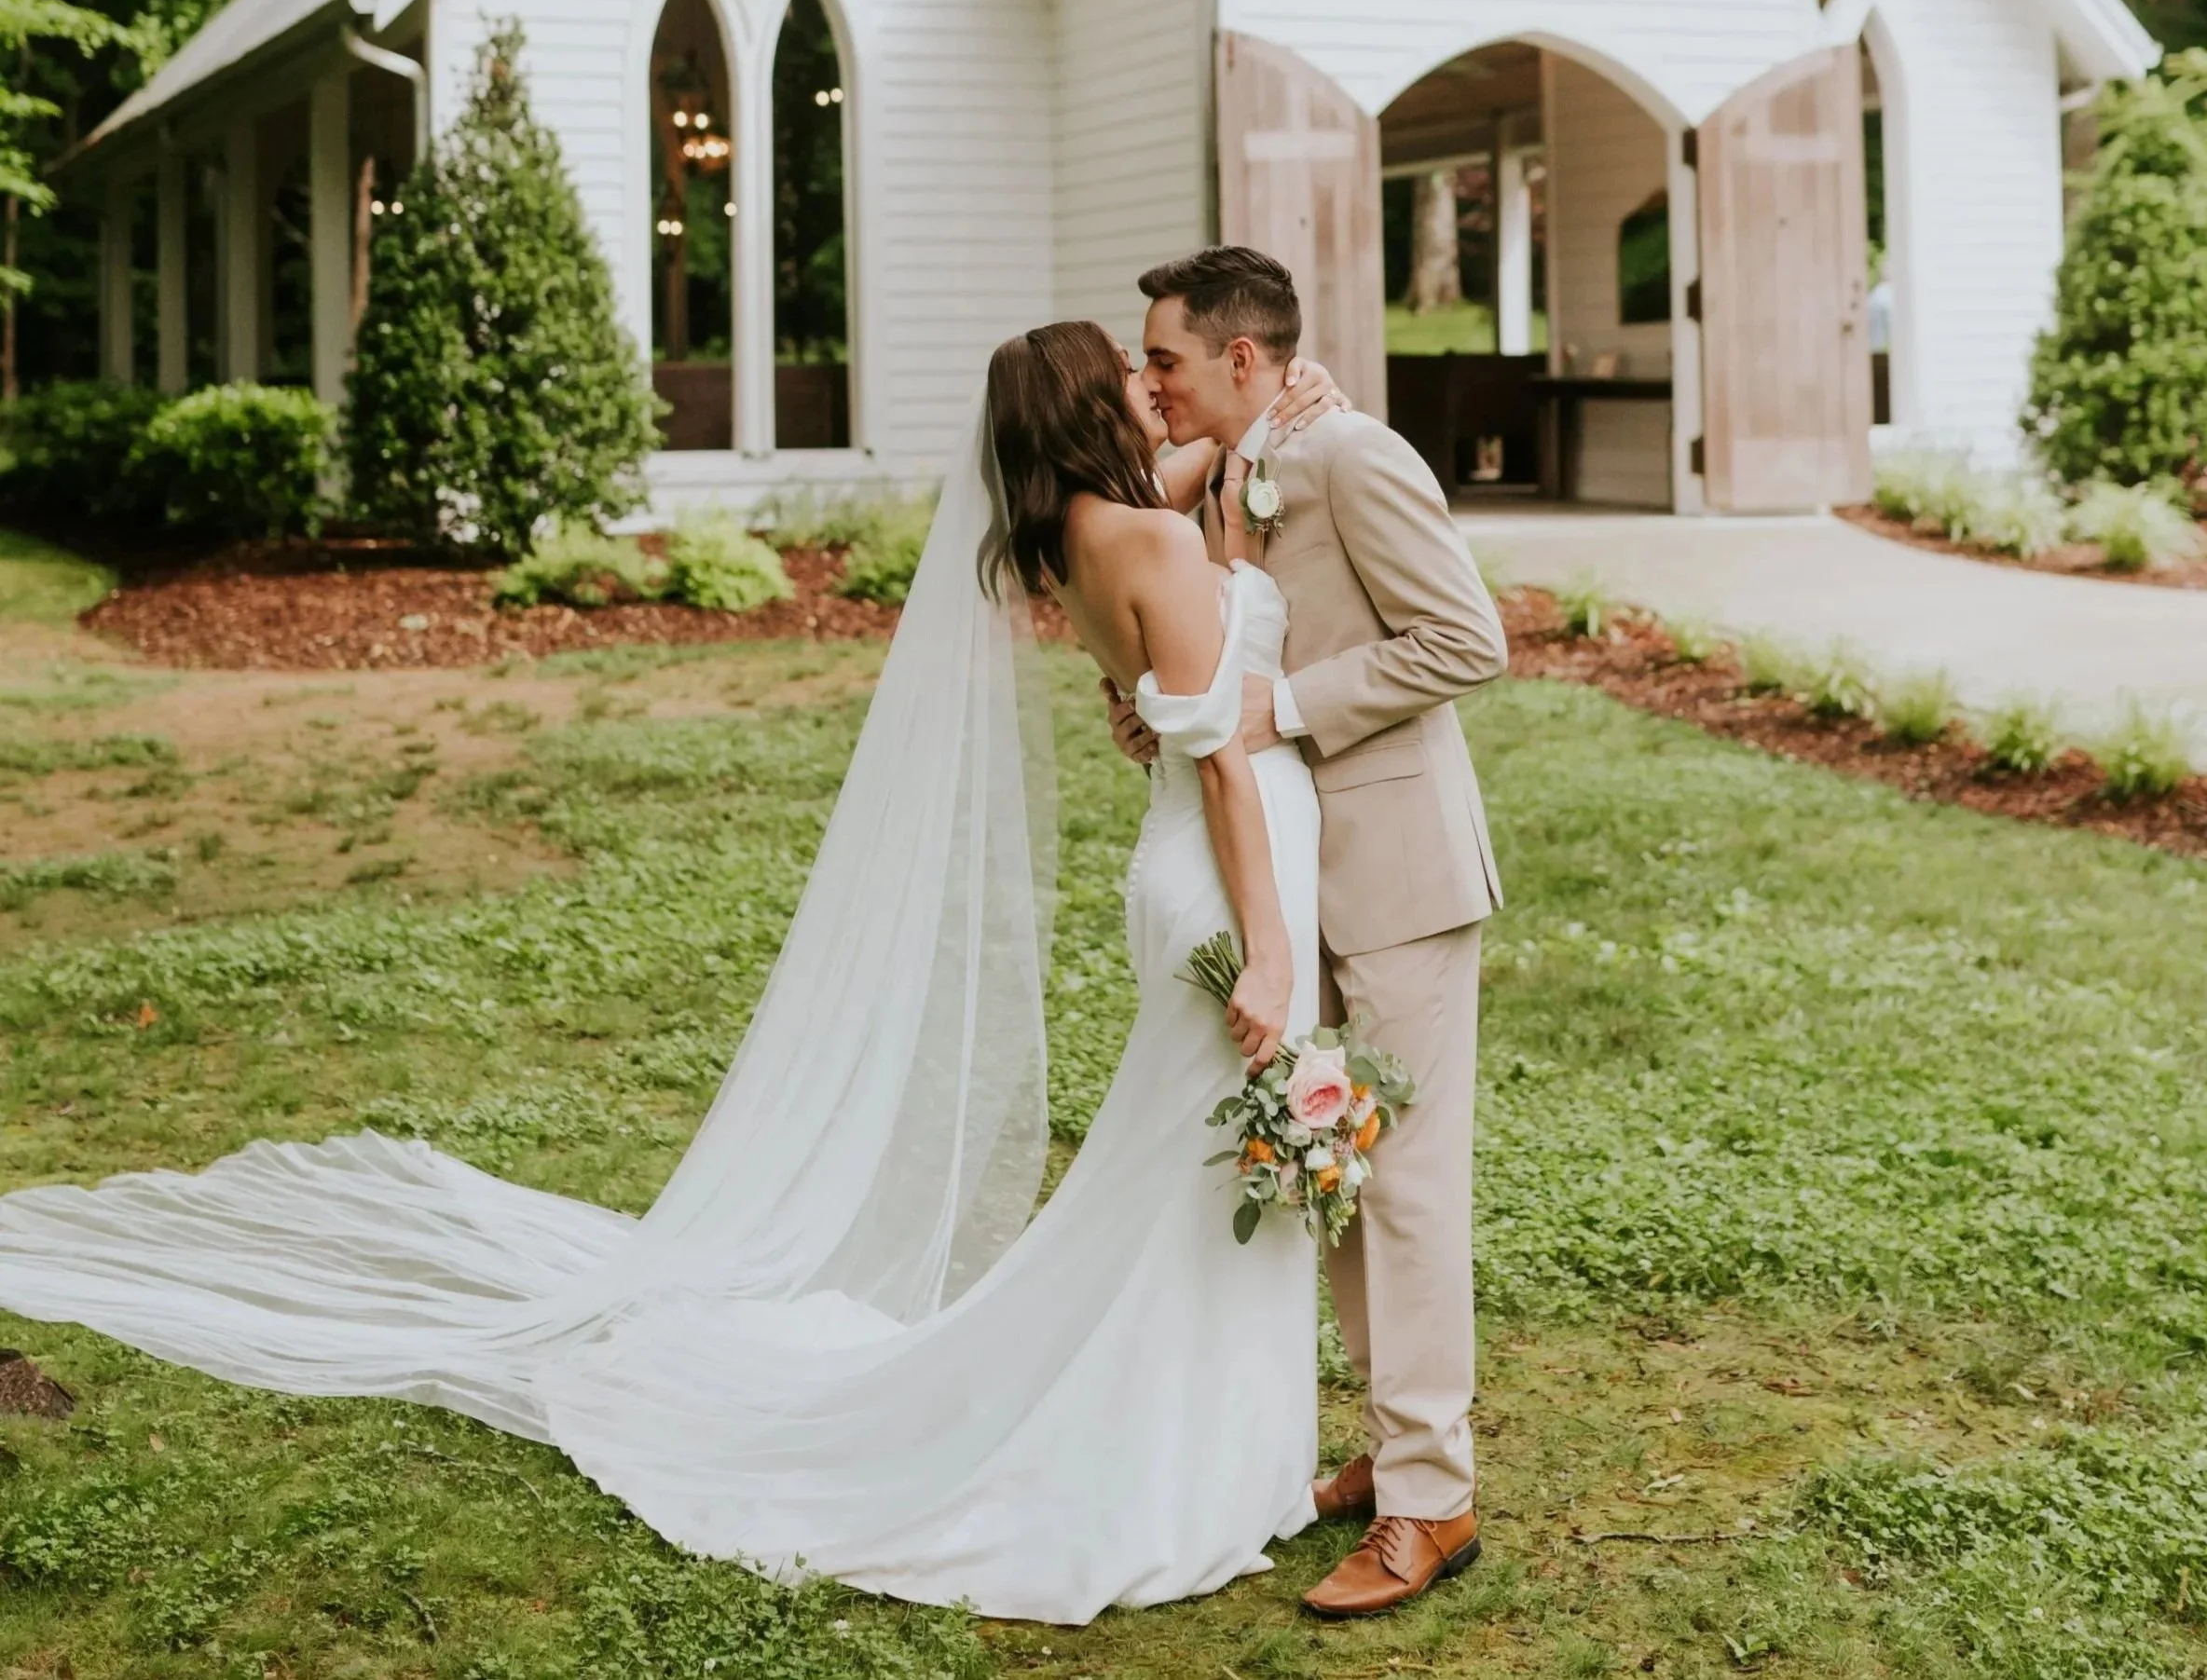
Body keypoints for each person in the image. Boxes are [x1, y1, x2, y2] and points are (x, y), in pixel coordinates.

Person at [0, 320, 1348, 1627]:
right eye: (1125, 372)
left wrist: (1251, 442)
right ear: (1085, 411)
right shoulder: (1155, 540)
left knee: (1189, 1171)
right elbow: (1222, 757)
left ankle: (1210, 1447)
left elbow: (1174, 537)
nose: (1144, 384)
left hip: (1183, 866)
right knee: (1187, 1178)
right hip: (1233, 877)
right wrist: (1274, 949)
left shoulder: (1075, 537)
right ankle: (1168, 1462)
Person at [1108, 245, 1508, 1620]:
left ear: (1236, 355)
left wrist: (1292, 705)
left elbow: (1467, 639)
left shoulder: (1350, 454)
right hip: (1286, 875)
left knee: (1405, 1189)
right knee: (1329, 1168)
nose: (1147, 378)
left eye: (1163, 357)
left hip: (1394, 868)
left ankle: (1434, 1504)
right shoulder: (1224, 470)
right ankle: (1401, 1454)